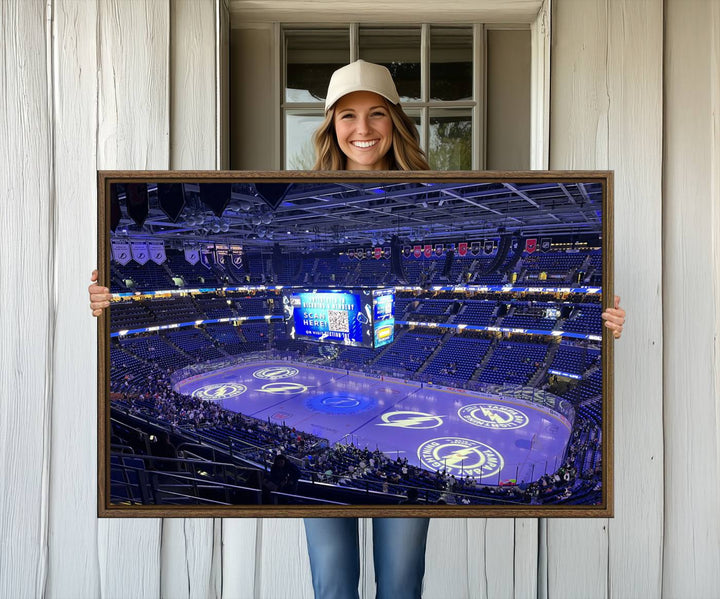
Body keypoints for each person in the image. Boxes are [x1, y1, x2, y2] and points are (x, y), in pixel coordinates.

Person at [88, 60, 627, 599]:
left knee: (399, 582)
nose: (362, 129)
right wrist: (106, 293)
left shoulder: (442, 188)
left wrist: (604, 317)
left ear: (395, 121)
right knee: (333, 582)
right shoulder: (295, 191)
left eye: (376, 115)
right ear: (330, 126)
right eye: (348, 115)